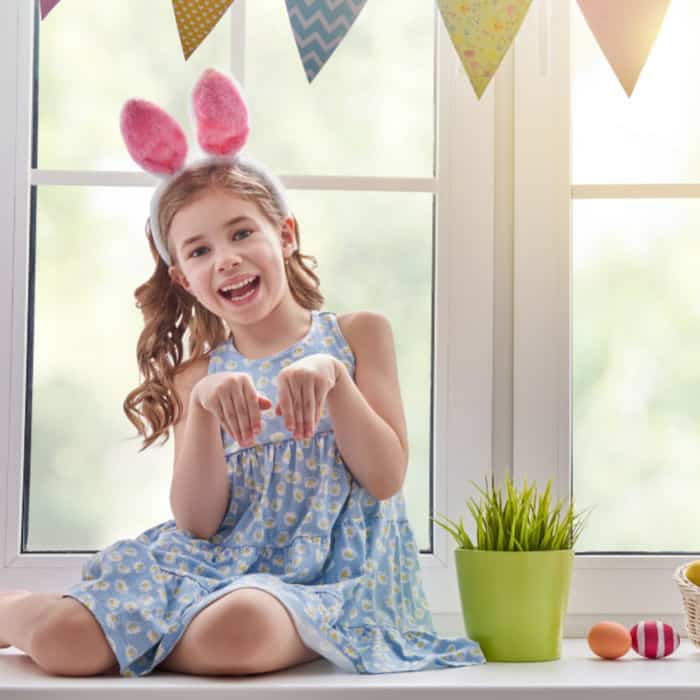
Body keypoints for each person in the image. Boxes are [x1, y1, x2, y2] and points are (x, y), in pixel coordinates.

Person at [0, 68, 486, 678]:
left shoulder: (358, 335)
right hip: (212, 568)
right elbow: (199, 523)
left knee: (241, 628)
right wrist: (201, 406)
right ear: (183, 277)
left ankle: (134, 637)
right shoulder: (195, 377)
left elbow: (386, 478)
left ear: (284, 235)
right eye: (199, 250)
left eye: (241, 233)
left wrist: (334, 379)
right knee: (65, 641)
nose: (224, 259)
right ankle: (13, 610)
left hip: (328, 584)